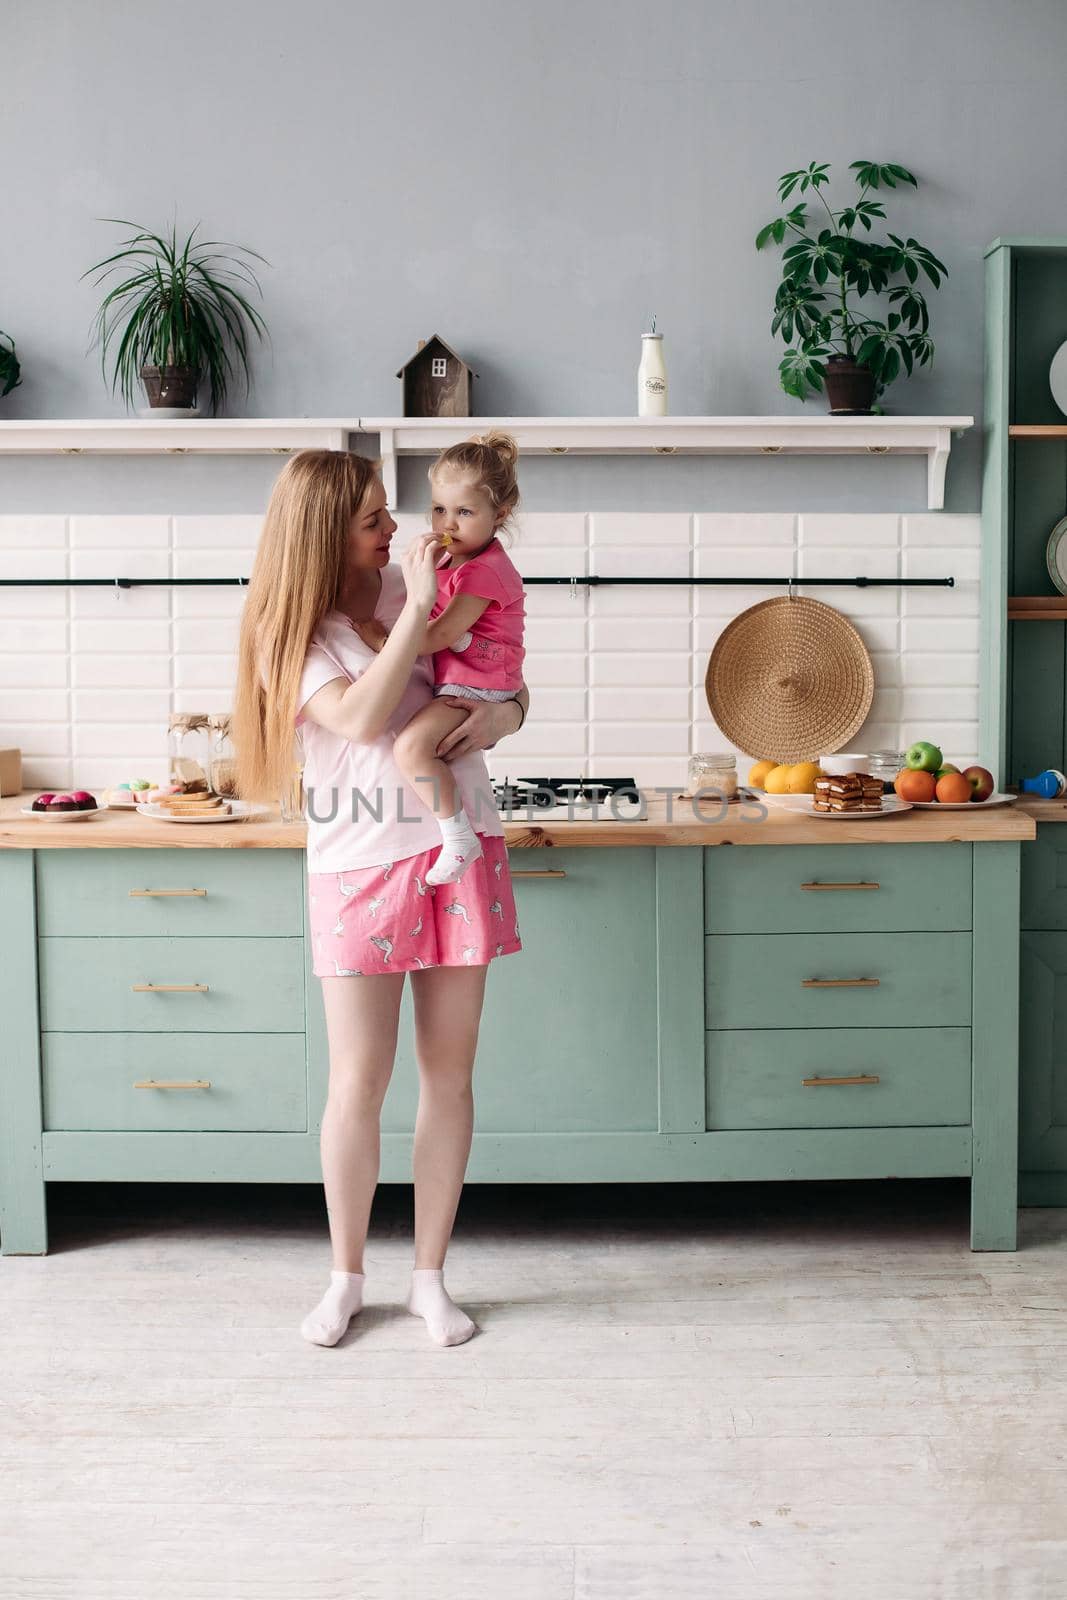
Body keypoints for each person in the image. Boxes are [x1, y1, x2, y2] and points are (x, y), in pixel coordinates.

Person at [232, 450, 529, 1348]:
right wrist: (409, 611)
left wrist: (507, 715)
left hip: (458, 845)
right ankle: (345, 1278)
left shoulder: (424, 587)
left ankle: (430, 1279)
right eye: (371, 519)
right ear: (327, 533)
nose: (397, 529)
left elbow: (507, 681)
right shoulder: (294, 631)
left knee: (449, 1077)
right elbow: (361, 719)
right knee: (358, 1082)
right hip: (359, 862)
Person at [356, 432, 526, 886]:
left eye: (464, 512)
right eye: (439, 509)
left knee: (411, 748)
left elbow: (438, 637)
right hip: (472, 680)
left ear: (499, 514)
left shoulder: (483, 570)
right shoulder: (455, 563)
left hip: (477, 686)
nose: (447, 522)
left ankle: (458, 837)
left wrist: (381, 638)